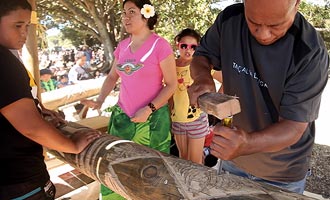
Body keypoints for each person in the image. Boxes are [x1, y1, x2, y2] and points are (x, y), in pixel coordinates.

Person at [188, 0, 329, 194]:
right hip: (233, 160)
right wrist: (202, 76)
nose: (263, 34)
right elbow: (202, 56)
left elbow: (293, 127)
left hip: (281, 176)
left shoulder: (310, 52)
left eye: (275, 25)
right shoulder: (230, 20)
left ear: (296, 4)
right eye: (253, 22)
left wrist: (247, 144)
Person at [0, 1, 101, 199]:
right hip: (19, 178)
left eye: (27, 26)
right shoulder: (4, 62)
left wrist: (37, 108)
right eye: (17, 25)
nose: (24, 33)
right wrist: (71, 145)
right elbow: (31, 127)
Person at [82, 0, 177, 199]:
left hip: (152, 122)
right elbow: (111, 77)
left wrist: (149, 109)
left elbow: (171, 85)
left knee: (151, 174)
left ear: (146, 15)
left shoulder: (160, 45)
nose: (125, 17)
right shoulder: (123, 46)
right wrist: (99, 100)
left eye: (131, 12)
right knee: (115, 169)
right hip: (122, 118)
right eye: (124, 12)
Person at [169, 28, 209, 164]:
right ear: (177, 45)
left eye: (193, 47)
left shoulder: (200, 65)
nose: (188, 50)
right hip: (177, 120)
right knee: (183, 159)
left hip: (196, 119)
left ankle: (199, 185)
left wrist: (212, 101)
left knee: (195, 162)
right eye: (184, 45)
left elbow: (224, 80)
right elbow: (168, 92)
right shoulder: (170, 65)